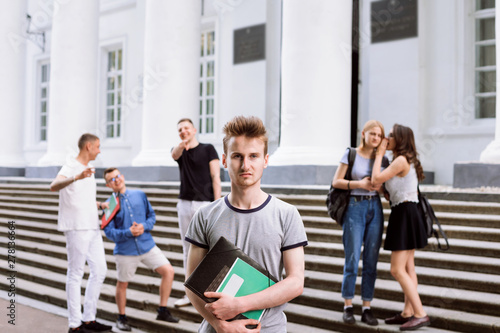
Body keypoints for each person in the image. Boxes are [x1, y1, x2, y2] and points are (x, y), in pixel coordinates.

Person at [184, 116, 308, 333]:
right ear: (224, 160)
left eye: (253, 156)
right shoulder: (204, 215)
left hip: (268, 329)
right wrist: (218, 324)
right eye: (237, 156)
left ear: (265, 160)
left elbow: (296, 282)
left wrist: (239, 305)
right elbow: (192, 283)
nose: (245, 165)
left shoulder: (287, 214)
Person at [102, 168, 180, 331]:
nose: (116, 180)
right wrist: (127, 232)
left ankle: (162, 310)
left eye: (117, 176)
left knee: (168, 271)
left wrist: (144, 226)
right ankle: (121, 317)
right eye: (111, 179)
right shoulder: (109, 205)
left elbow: (151, 217)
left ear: (122, 176)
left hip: (147, 245)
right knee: (122, 284)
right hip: (125, 251)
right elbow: (108, 231)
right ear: (108, 185)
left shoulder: (139, 195)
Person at [50, 133, 111, 333]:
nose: (99, 150)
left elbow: (81, 198)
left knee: (100, 270)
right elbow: (54, 186)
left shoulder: (88, 171)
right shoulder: (71, 166)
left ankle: (88, 319)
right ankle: (74, 326)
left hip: (92, 226)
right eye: (98, 146)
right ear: (88, 146)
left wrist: (99, 205)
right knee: (75, 273)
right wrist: (76, 176)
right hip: (76, 227)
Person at [371, 124, 430, 331]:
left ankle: (420, 313)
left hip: (405, 214)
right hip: (406, 212)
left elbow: (376, 179)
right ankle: (408, 312)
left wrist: (379, 154)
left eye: (391, 136)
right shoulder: (403, 160)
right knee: (408, 268)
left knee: (396, 269)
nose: (387, 138)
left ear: (400, 139)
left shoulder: (400, 160)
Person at [331, 120, 389, 326]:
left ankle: (367, 307)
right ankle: (348, 305)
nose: (375, 138)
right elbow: (336, 181)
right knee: (353, 258)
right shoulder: (351, 153)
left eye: (379, 135)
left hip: (375, 207)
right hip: (354, 206)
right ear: (363, 134)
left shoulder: (382, 158)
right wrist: (360, 184)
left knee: (371, 259)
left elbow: (385, 185)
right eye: (372, 134)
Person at [171, 118, 221, 308]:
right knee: (187, 249)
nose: (183, 131)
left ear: (194, 130)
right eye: (180, 129)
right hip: (184, 203)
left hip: (204, 203)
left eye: (186, 128)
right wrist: (182, 144)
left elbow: (216, 176)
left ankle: (212, 293)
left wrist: (217, 203)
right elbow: (174, 155)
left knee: (210, 247)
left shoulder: (208, 149)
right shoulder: (180, 151)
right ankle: (190, 294)